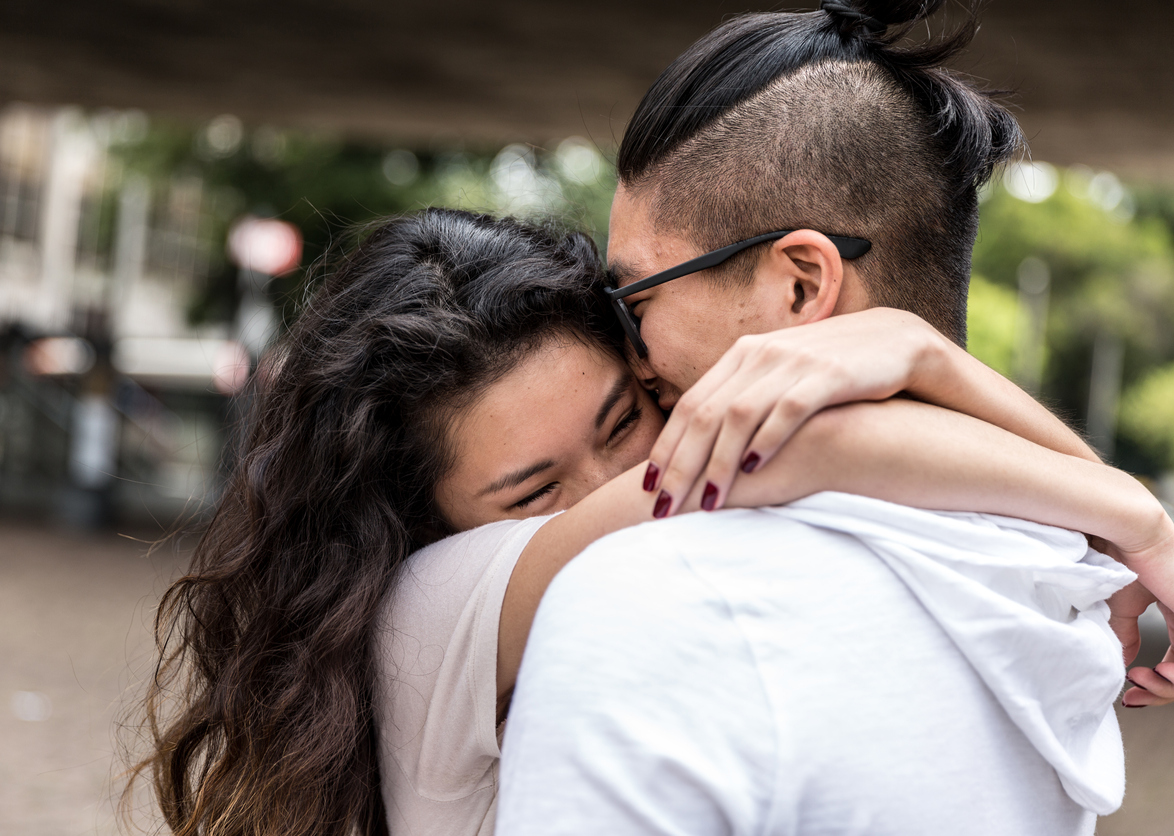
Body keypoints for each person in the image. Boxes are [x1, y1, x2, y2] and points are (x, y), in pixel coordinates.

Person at [125, 208, 1173, 836]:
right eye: (535, 491)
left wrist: (929, 363)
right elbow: (793, 448)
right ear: (430, 520)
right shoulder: (431, 610)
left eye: (623, 421)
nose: (621, 484)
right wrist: (1136, 521)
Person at [494, 3, 1173, 835]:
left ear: (802, 287)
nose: (632, 356)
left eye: (633, 301)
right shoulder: (1063, 576)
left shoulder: (650, 599)